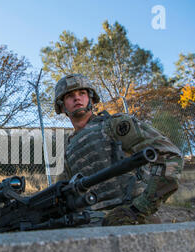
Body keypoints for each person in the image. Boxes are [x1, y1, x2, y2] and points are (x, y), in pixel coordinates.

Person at [54, 74, 183, 226]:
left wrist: (138, 209)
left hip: (137, 222)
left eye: (82, 93)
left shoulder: (114, 125)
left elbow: (170, 156)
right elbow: (63, 197)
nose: (77, 98)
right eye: (70, 96)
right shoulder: (69, 149)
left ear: (91, 98)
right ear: (62, 105)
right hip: (95, 227)